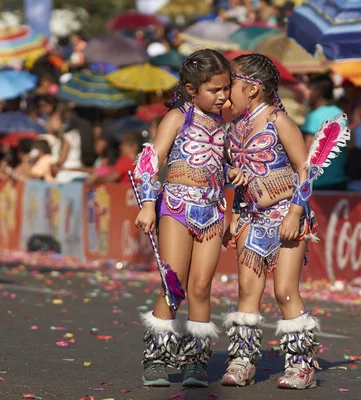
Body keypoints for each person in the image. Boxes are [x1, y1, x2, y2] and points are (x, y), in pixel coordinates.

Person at [221, 53, 346, 390]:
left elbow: (305, 169)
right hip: (250, 217)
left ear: (251, 89)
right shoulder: (235, 126)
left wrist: (294, 213)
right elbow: (243, 177)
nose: (223, 92)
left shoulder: (280, 121)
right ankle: (242, 359)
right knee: (247, 290)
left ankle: (302, 366)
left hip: (286, 216)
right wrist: (234, 213)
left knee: (285, 291)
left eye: (229, 84)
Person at [132, 49, 235, 388]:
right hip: (175, 207)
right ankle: (156, 359)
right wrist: (148, 205)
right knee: (172, 286)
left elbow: (230, 167)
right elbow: (150, 162)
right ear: (192, 90)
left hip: (213, 210)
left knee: (201, 288)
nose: (222, 96)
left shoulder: (227, 122)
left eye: (225, 89)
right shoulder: (179, 117)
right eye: (214, 90)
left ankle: (197, 362)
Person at [301, 76, 348, 191]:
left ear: (317, 92)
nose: (308, 94)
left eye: (310, 90)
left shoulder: (314, 116)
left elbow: (306, 151)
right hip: (338, 179)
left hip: (318, 182)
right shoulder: (340, 113)